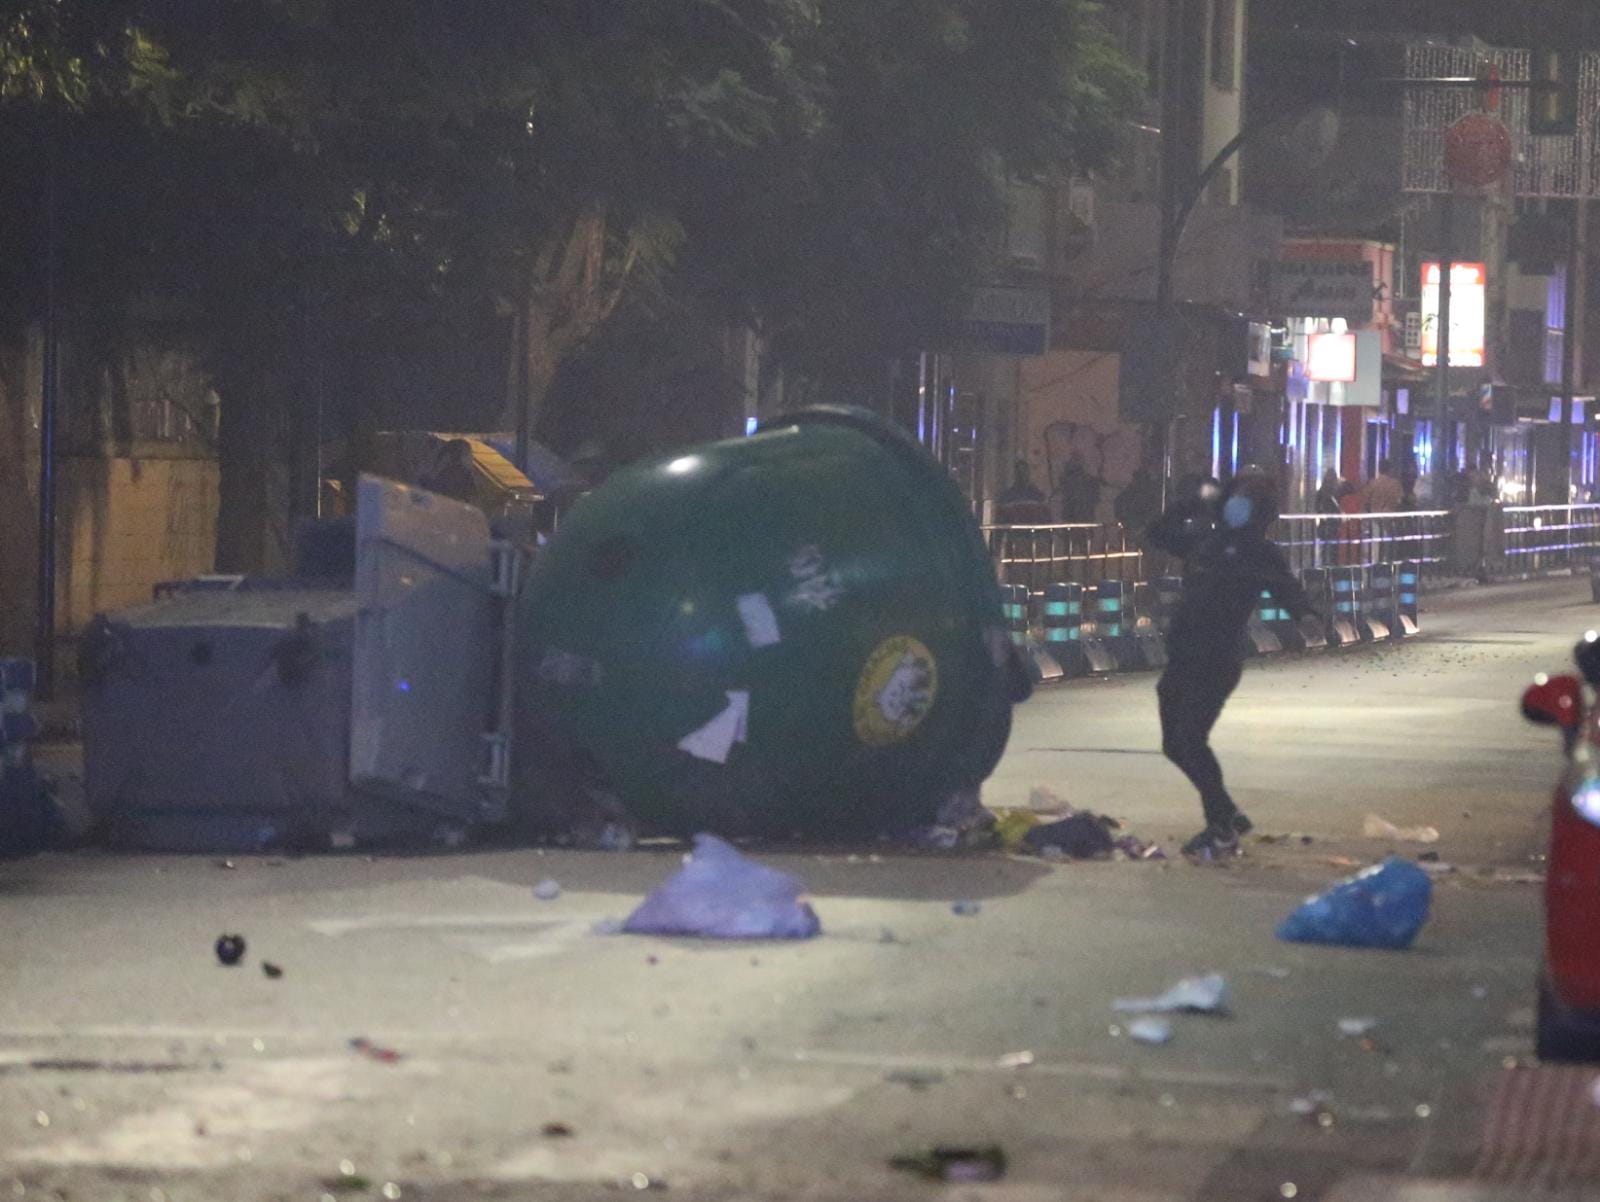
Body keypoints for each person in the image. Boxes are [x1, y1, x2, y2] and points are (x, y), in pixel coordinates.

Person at [1145, 467, 1318, 861]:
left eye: (1249, 500)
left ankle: (1220, 827)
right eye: (1237, 496)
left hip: (1219, 657)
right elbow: (1155, 534)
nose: (1240, 505)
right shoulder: (1205, 540)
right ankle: (1226, 813)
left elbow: (1290, 591)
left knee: (1191, 738)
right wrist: (1195, 502)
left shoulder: (1261, 553)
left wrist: (1306, 615)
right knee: (1174, 743)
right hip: (1184, 653)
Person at [1115, 454, 1164, 540]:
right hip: (1137, 526)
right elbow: (1119, 504)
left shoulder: (1153, 490)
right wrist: (1127, 522)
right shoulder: (1130, 493)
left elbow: (1155, 509)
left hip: (1146, 529)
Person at [995, 460, 1052, 525]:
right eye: (1019, 472)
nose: (1022, 475)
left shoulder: (1038, 496)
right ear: (1015, 474)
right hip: (1014, 533)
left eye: (1024, 471)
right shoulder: (1006, 497)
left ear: (1028, 473)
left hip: (1034, 533)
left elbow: (1046, 520)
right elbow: (999, 522)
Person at [1055, 453, 1100, 524]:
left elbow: (1095, 495)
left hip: (1082, 511)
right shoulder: (1067, 480)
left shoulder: (1088, 480)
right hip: (1074, 511)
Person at [1314, 468, 1344, 566]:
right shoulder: (1337, 492)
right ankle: (1333, 566)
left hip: (1324, 524)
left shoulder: (1321, 491)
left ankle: (1323, 566)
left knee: (1324, 549)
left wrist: (1322, 515)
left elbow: (1317, 507)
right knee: (1334, 548)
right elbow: (1351, 489)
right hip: (1334, 523)